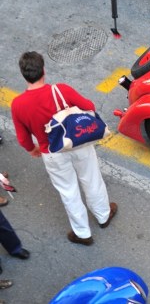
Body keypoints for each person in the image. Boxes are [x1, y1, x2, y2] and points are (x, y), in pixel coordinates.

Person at [11, 52, 117, 246]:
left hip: (52, 152)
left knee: (68, 191)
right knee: (92, 179)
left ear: (24, 75)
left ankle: (82, 233)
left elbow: (23, 138)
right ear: (43, 70)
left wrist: (33, 149)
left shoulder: (18, 104)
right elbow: (89, 106)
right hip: (78, 144)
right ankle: (103, 216)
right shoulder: (61, 90)